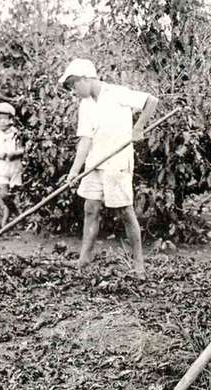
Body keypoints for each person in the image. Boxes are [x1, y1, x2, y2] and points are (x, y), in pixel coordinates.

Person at [57, 58, 159, 276]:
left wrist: (139, 128)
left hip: (117, 161)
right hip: (94, 163)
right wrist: (74, 171)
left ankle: (139, 263)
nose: (73, 91)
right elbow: (85, 140)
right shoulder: (85, 105)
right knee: (90, 208)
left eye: (74, 85)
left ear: (85, 79)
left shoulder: (116, 93)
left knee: (124, 210)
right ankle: (84, 260)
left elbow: (151, 100)